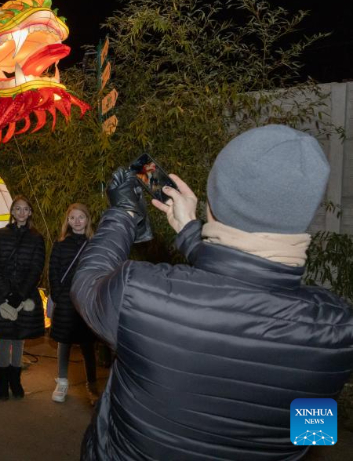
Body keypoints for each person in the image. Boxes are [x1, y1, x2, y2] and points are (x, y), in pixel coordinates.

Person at [71, 125, 353, 460]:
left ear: (213, 201)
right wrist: (191, 232)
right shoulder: (338, 330)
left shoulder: (143, 294)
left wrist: (124, 213)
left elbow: (87, 282)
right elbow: (310, 438)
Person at [0, 195, 46, 400]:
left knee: (19, 338)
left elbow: (36, 268)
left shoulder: (36, 237)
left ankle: (16, 380)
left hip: (25, 295)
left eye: (25, 209)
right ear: (12, 212)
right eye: (17, 209)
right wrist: (6, 293)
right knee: (4, 338)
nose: (21, 213)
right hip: (3, 295)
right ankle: (2, 383)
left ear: (30, 212)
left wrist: (19, 294)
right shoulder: (0, 235)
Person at [47, 203, 99, 405]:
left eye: (81, 217)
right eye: (72, 218)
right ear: (67, 221)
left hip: (87, 299)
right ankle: (62, 382)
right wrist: (59, 296)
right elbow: (54, 270)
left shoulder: (95, 243)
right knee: (64, 342)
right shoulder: (61, 244)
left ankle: (92, 386)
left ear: (87, 220)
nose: (77, 221)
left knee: (88, 344)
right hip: (66, 300)